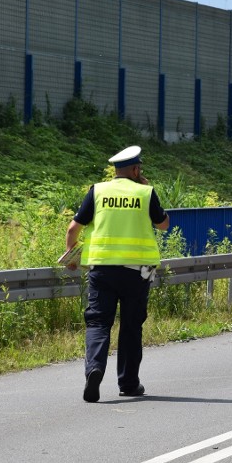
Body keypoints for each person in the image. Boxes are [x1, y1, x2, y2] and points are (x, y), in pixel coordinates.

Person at [63, 145, 170, 403]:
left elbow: (73, 228)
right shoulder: (145, 192)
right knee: (132, 326)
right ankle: (129, 384)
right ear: (135, 169)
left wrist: (70, 256)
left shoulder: (98, 191)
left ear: (115, 170)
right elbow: (164, 225)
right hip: (139, 271)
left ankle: (95, 369)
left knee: (98, 323)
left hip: (102, 269)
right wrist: (145, 187)